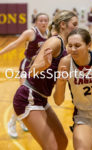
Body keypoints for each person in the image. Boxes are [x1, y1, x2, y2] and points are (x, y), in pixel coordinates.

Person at [13, 10, 78, 149]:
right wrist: (44, 65)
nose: (77, 28)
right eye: (74, 24)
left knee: (62, 143)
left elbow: (59, 98)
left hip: (41, 98)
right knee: (52, 147)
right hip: (28, 96)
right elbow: (32, 70)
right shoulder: (55, 41)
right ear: (63, 25)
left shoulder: (65, 46)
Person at [0, 13, 49, 138]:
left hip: (39, 68)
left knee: (30, 99)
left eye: (45, 20)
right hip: (27, 66)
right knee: (23, 96)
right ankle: (11, 123)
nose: (43, 22)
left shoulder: (48, 34)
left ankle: (21, 120)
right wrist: (1, 52)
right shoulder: (31, 32)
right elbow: (15, 44)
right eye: (41, 20)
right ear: (36, 22)